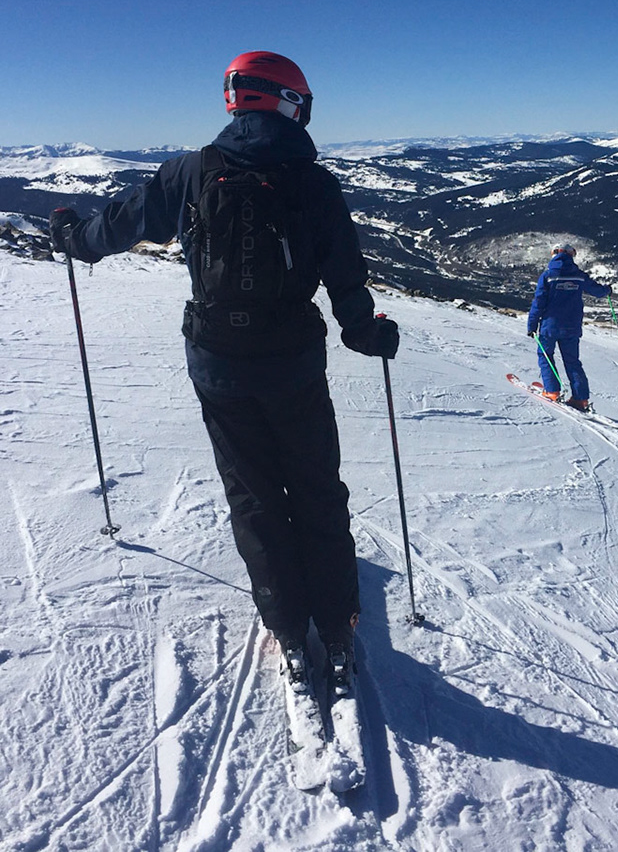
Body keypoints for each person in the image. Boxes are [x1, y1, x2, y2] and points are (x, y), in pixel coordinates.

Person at [47, 51, 397, 699]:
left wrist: (73, 236)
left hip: (217, 364)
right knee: (316, 488)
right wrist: (366, 332)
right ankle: (337, 626)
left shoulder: (189, 172)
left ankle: (287, 628)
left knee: (254, 496)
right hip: (294, 365)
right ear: (292, 103)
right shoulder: (314, 184)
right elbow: (346, 278)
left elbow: (118, 226)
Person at [527, 245, 613, 411]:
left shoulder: (548, 276)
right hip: (571, 326)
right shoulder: (578, 276)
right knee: (572, 361)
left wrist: (531, 325)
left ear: (554, 255)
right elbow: (598, 291)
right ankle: (580, 398)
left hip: (549, 325)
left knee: (545, 355)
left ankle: (552, 391)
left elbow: (538, 302)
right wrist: (607, 290)